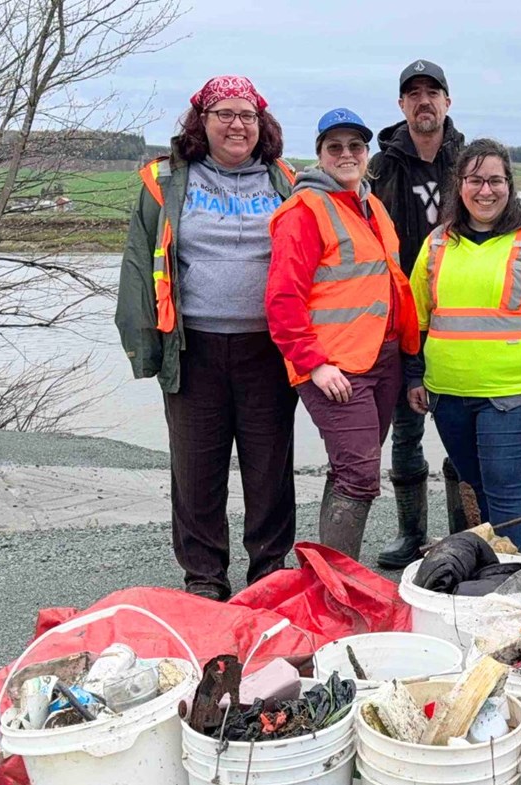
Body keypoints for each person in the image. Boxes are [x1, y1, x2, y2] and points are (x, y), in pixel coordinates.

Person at [116, 74, 299, 601]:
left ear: (261, 124)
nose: (236, 125)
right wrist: (144, 346)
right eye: (224, 114)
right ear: (203, 122)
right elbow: (136, 262)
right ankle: (204, 576)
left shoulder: (285, 179)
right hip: (191, 346)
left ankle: (269, 570)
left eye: (246, 115)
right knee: (197, 467)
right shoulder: (166, 181)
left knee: (269, 465)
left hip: (268, 348)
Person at [403, 139, 521, 554]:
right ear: (460, 185)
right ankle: (489, 570)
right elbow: (417, 319)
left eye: (496, 180)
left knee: (505, 488)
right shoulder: (437, 244)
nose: (486, 191)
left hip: (512, 394)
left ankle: (518, 578)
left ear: (510, 185)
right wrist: (414, 374)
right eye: (476, 180)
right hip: (448, 394)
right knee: (476, 486)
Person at [265, 108, 421, 559]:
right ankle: (335, 590)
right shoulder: (304, 212)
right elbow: (281, 299)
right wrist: (314, 364)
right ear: (319, 155)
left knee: (349, 469)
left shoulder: (371, 206)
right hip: (335, 368)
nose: (347, 154)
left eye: (356, 146)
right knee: (359, 474)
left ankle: (329, 576)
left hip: (382, 358)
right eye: (335, 147)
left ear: (367, 154)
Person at [367, 59, 467, 569]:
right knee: (406, 432)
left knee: (460, 430)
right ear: (402, 104)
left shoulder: (470, 160)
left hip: (462, 319)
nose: (424, 101)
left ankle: (463, 538)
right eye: (414, 93)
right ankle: (411, 535)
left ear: (448, 102)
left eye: (433, 92)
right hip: (401, 320)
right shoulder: (379, 167)